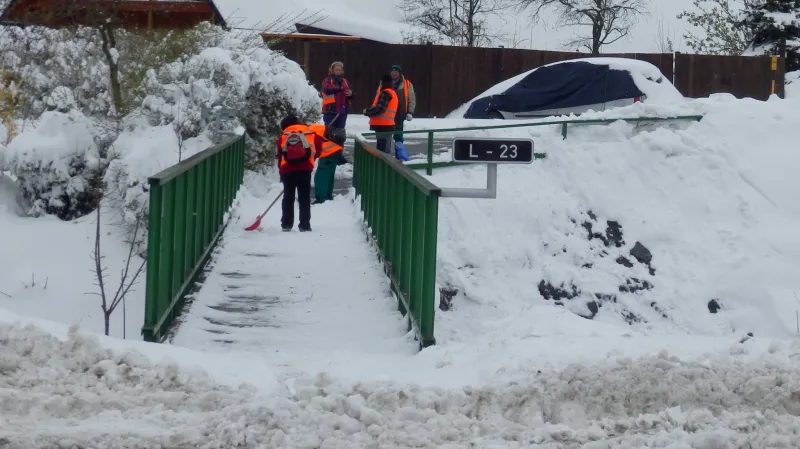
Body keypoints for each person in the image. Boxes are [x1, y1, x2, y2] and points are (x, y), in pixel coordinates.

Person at [276, 115, 324, 232]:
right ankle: (304, 225)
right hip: (305, 169)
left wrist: (281, 173)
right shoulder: (309, 133)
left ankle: (286, 224)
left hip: (287, 169)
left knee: (288, 197)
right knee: (304, 197)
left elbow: (280, 156)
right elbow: (319, 148)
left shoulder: (283, 135)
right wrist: (310, 159)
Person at [308, 123, 346, 204]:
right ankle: (328, 197)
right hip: (336, 151)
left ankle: (321, 199)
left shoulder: (308, 133)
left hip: (329, 153)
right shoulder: (313, 128)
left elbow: (314, 150)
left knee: (320, 178)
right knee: (328, 176)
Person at [363, 74, 398, 154]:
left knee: (382, 151)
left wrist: (367, 111)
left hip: (382, 125)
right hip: (387, 124)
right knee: (385, 149)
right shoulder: (392, 92)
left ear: (382, 82)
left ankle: (383, 162)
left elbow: (380, 108)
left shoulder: (385, 93)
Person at [320, 61, 354, 130]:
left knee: (340, 132)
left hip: (342, 111)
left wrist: (351, 93)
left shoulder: (345, 81)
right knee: (329, 131)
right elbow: (326, 89)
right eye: (336, 70)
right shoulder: (327, 80)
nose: (338, 71)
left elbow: (353, 93)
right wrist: (340, 88)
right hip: (330, 111)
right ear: (332, 70)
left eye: (339, 70)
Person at [388, 64, 416, 144]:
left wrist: (410, 112)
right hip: (386, 115)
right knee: (385, 137)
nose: (394, 73)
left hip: (399, 114)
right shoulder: (384, 82)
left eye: (396, 72)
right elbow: (378, 96)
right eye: (393, 71)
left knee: (398, 136)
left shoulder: (407, 84)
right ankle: (385, 151)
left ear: (399, 73)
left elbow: (412, 99)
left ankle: (399, 150)